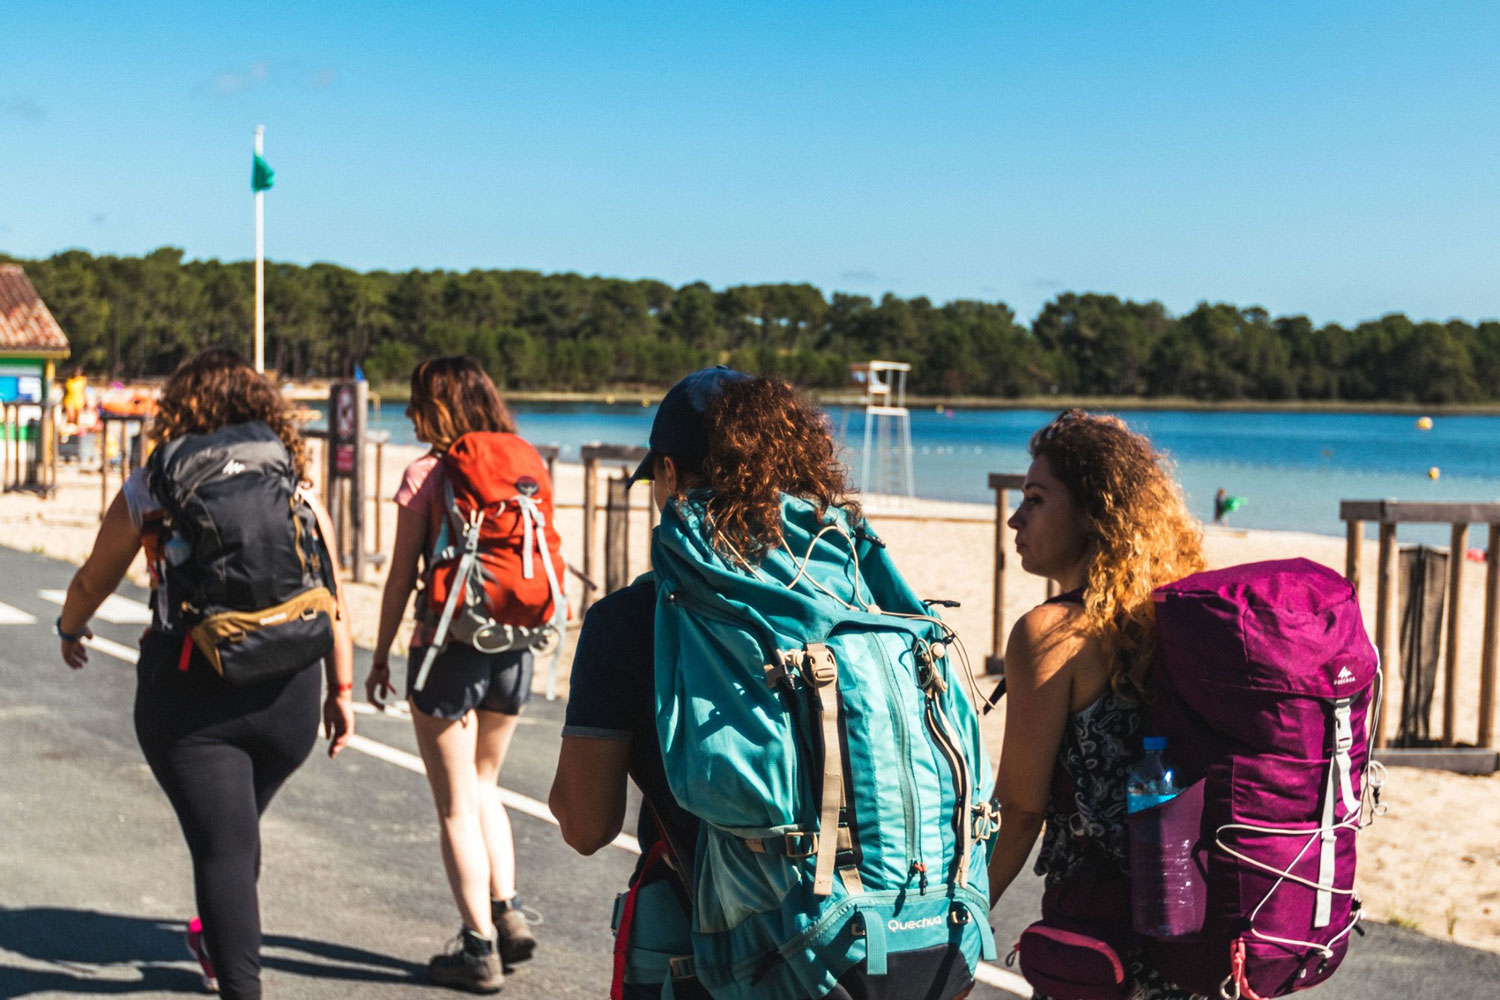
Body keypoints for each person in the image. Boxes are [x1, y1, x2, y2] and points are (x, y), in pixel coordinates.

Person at [550, 368, 981, 1000]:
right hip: (910, 945)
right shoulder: (858, 596)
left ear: (669, 474)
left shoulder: (629, 621)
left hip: (739, 964)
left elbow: (587, 826)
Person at [56, 348, 354, 1000]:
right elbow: (331, 595)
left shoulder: (153, 486)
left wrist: (69, 628)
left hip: (192, 695)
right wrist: (341, 689)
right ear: (262, 409)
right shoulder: (292, 479)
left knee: (222, 848)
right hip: (292, 693)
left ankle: (237, 980)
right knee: (234, 833)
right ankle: (216, 936)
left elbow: (90, 580)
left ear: (181, 408)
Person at [986, 409, 1206, 1000]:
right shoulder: (1177, 619)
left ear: (1092, 512)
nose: (1015, 518)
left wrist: (962, 917)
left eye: (1035, 499)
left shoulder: (1051, 635)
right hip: (1199, 940)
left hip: (1102, 949)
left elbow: (1020, 812)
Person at [366, 356, 539, 994]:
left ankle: (477, 949)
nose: (410, 414)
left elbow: (400, 575)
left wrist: (381, 653)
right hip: (513, 644)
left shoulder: (425, 475)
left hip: (446, 648)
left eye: (417, 403)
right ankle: (508, 908)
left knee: (454, 806)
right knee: (486, 783)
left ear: (436, 408)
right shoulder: (520, 460)